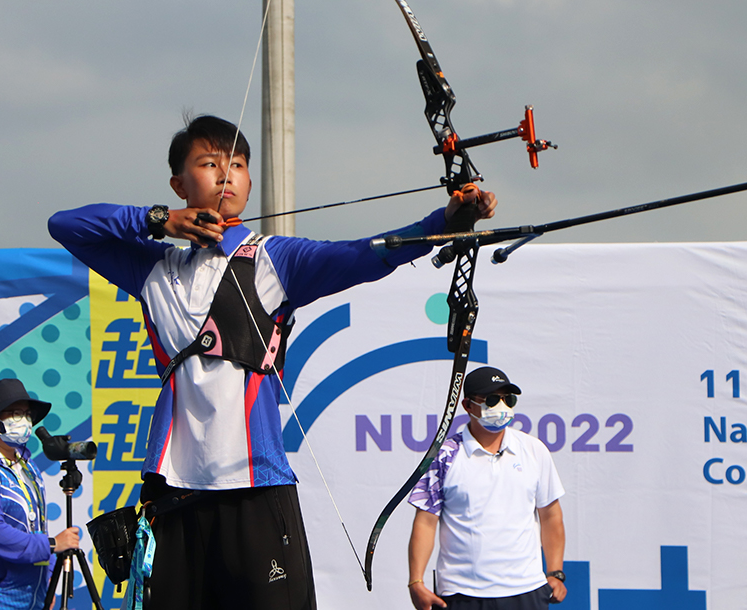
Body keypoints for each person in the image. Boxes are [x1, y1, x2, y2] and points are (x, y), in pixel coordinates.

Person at [47, 114, 498, 610]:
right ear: (179, 183)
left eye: (237, 165)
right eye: (209, 163)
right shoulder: (153, 266)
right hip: (173, 491)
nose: (226, 175)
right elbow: (66, 225)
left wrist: (445, 223)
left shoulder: (274, 259)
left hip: (255, 486)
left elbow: (365, 255)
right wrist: (158, 221)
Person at [407, 366, 566, 610]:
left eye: (508, 399)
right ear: (468, 406)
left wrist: (555, 571)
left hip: (527, 590)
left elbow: (550, 514)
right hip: (462, 593)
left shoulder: (534, 449)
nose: (501, 407)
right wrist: (416, 581)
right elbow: (425, 521)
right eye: (492, 400)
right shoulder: (444, 456)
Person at [0, 378, 82, 610]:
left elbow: (37, 526)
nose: (24, 421)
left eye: (27, 413)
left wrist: (48, 579)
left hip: (30, 598)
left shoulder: (27, 465)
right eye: (15, 413)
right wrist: (51, 545)